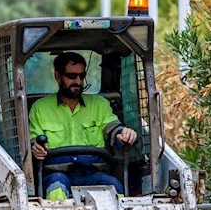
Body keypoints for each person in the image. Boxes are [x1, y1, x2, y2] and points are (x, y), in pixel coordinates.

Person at [29, 52, 137, 200]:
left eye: (82, 76)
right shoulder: (40, 108)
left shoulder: (99, 105)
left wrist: (125, 133)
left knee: (114, 187)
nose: (78, 82)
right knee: (56, 189)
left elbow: (113, 128)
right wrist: (36, 148)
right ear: (58, 76)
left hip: (94, 173)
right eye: (72, 76)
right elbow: (33, 141)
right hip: (57, 174)